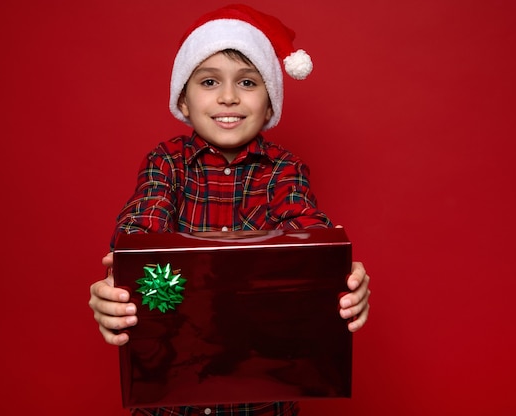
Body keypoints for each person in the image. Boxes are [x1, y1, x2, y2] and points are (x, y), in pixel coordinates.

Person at [89, 4, 371, 416]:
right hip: (169, 403)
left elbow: (308, 232)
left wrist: (341, 276)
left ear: (270, 103)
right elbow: (139, 232)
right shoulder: (166, 162)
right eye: (209, 81)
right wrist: (118, 280)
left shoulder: (285, 171)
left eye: (247, 82)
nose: (228, 97)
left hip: (262, 402)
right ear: (183, 101)